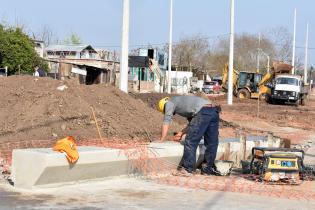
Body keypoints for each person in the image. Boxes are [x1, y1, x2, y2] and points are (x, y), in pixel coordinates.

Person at [157, 95, 220, 176]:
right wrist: (181, 133)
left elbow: (166, 121)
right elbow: (193, 124)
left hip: (203, 111)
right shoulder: (184, 103)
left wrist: (162, 139)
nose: (171, 113)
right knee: (212, 142)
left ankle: (187, 169)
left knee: (191, 141)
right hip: (214, 110)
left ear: (164, 105)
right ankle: (207, 170)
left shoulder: (169, 102)